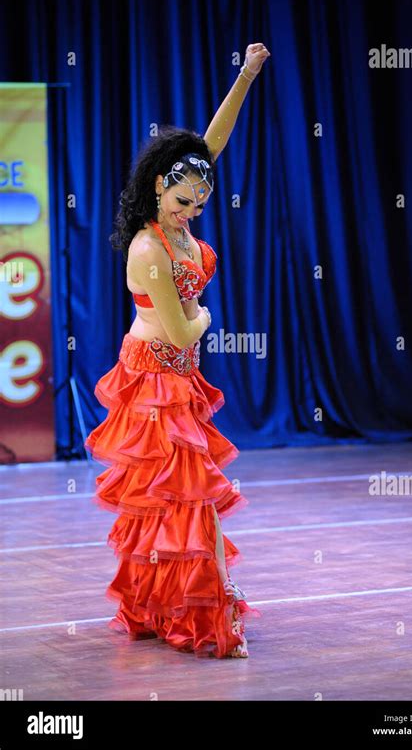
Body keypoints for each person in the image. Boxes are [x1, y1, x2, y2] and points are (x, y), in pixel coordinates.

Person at [85, 43, 271, 658]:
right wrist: (208, 316)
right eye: (182, 201)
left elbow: (211, 143)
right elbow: (184, 330)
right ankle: (202, 613)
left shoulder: (181, 215)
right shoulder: (149, 250)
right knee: (186, 500)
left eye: (201, 201)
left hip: (179, 379)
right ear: (157, 193)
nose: (193, 210)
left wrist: (245, 73)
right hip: (154, 380)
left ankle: (170, 604)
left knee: (180, 502)